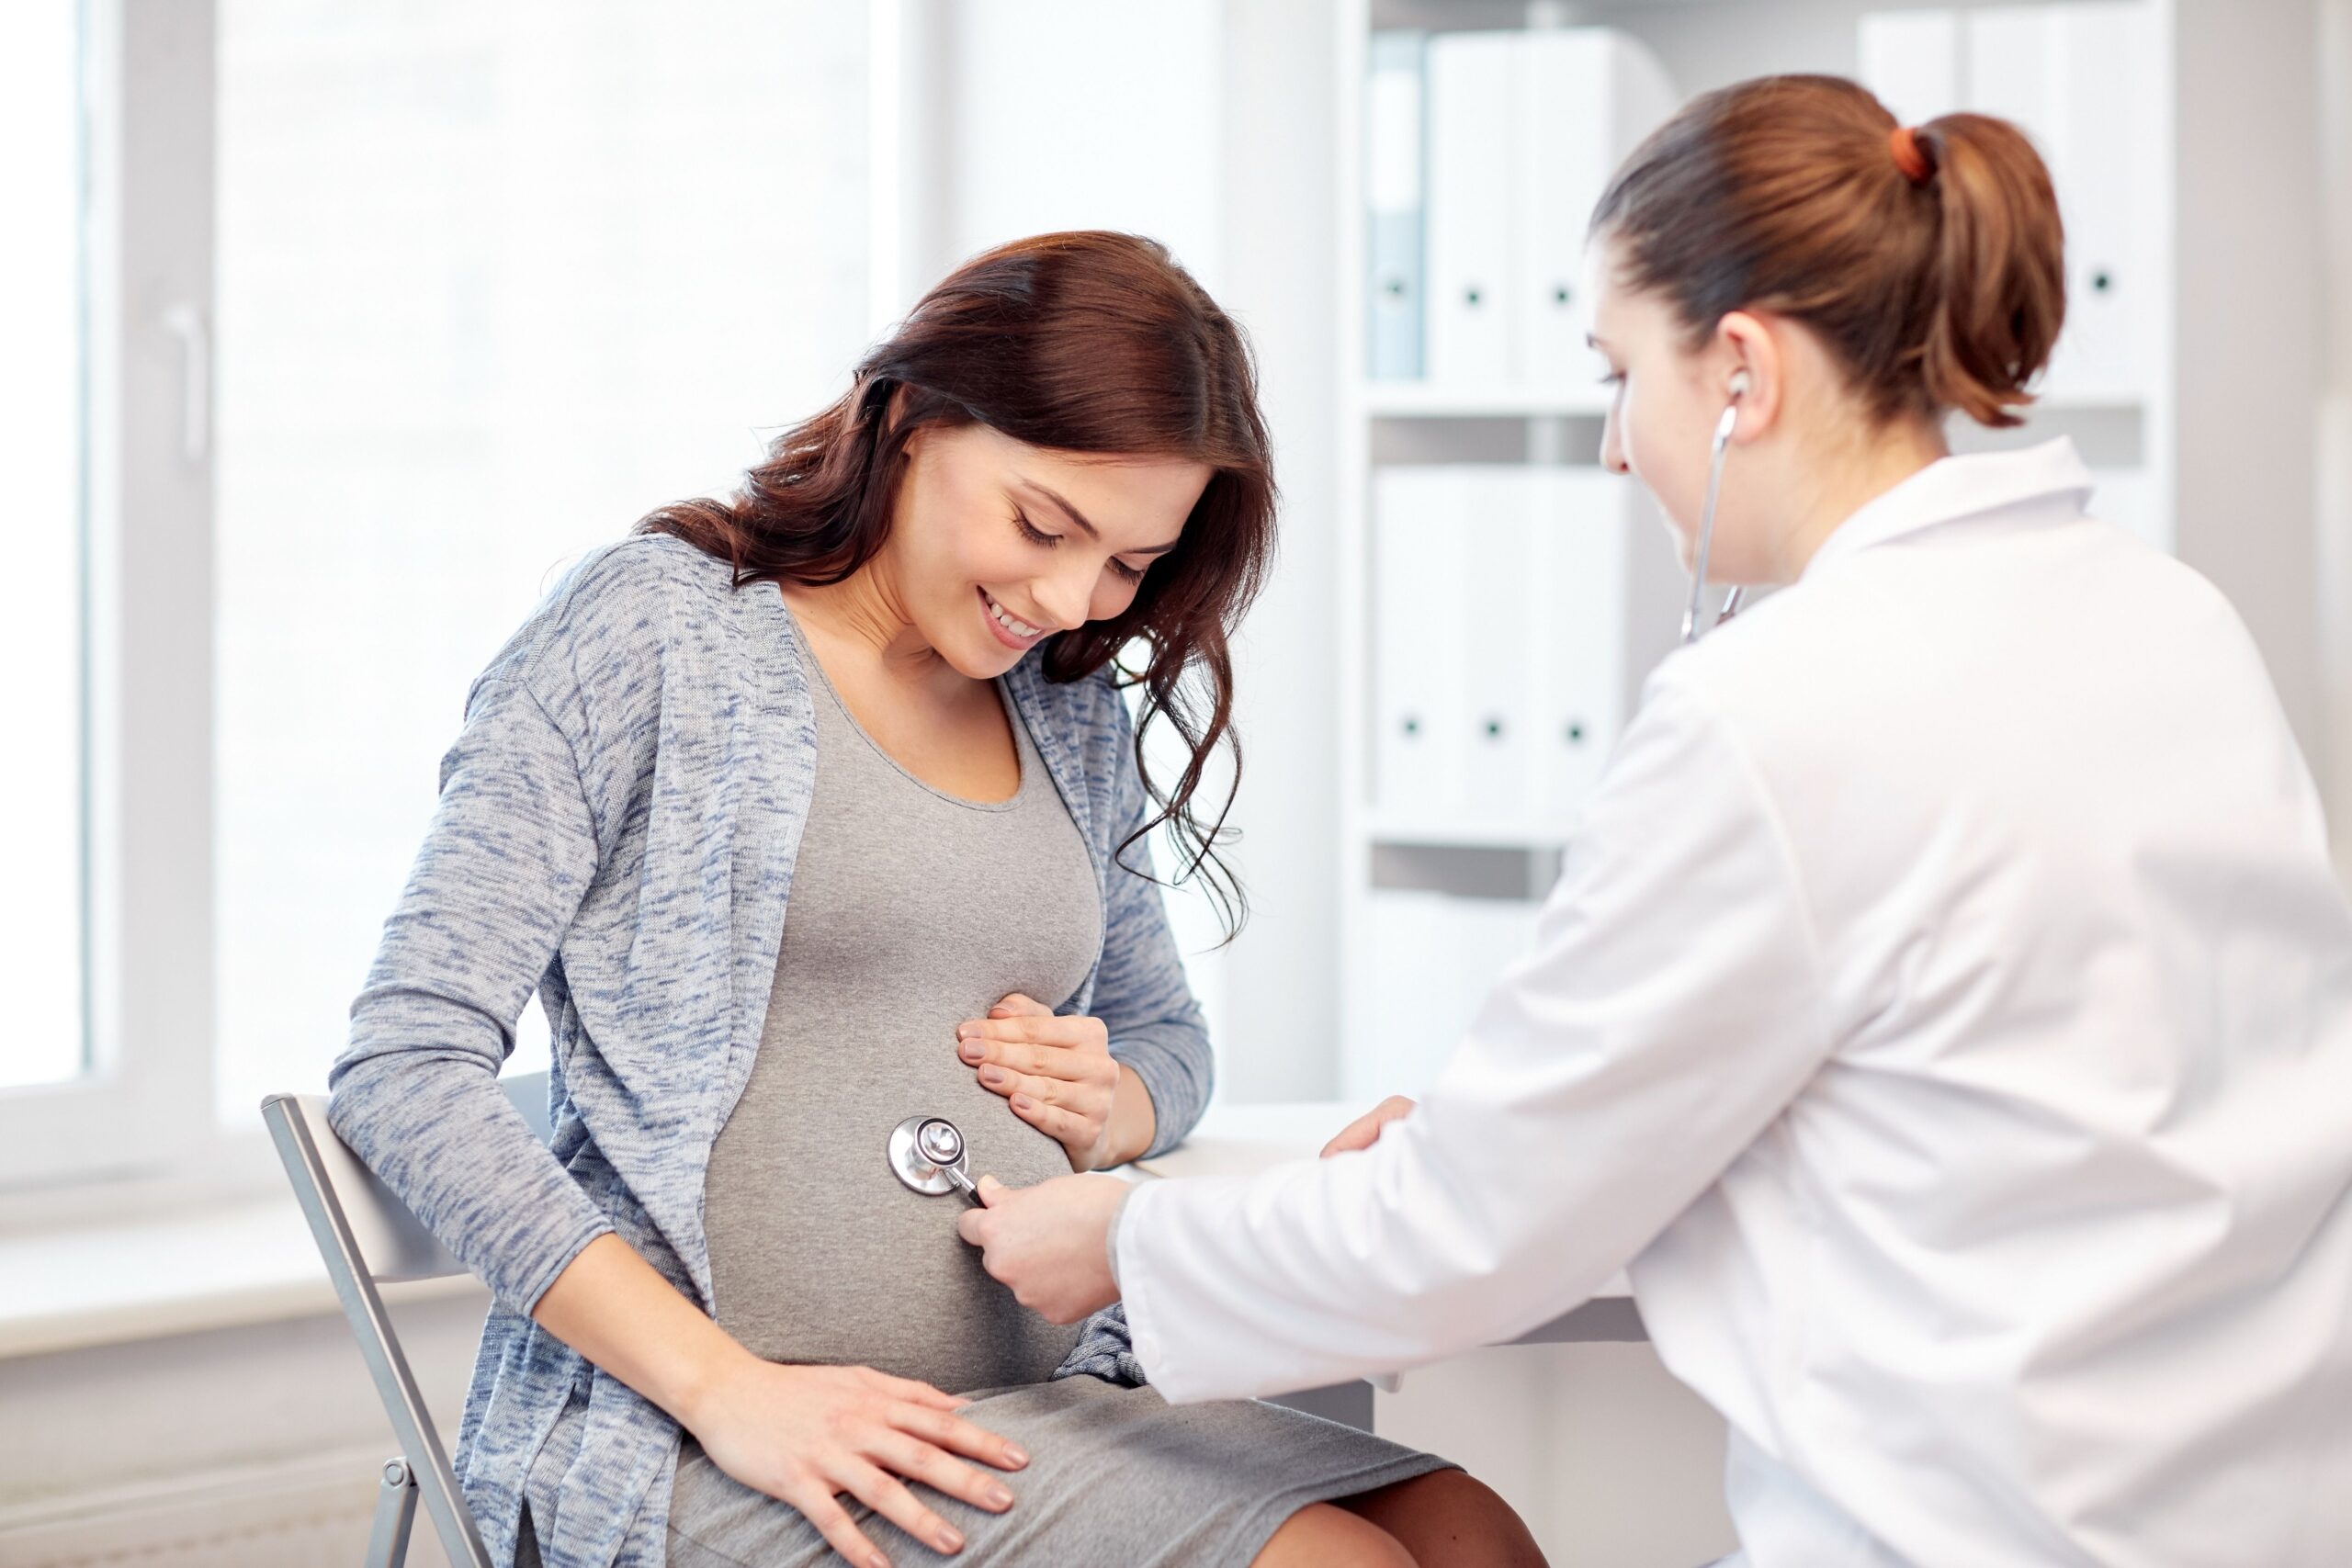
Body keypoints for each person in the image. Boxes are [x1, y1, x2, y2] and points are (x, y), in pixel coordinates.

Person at [957, 81, 2352, 1566]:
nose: (1619, 448)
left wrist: (1121, 1243)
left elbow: (1464, 1242)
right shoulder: (2170, 619)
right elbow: (2022, 1090)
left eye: (1621, 373)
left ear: (1740, 370)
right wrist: (1542, 1136)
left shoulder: (1782, 710)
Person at [326, 231, 1544, 1568]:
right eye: (1041, 525)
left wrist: (1114, 1099)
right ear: (910, 420)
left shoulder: (1067, 707)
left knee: (1474, 1535)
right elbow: (402, 1070)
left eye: (1129, 565)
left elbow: (1168, 1046)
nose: (1071, 598)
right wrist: (731, 1396)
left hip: (1058, 1398)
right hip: (720, 1444)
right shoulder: (655, 633)